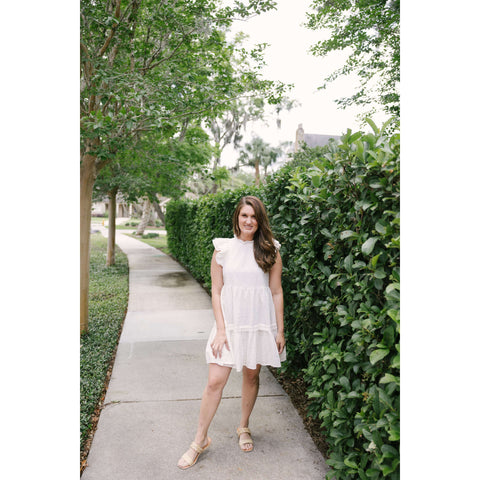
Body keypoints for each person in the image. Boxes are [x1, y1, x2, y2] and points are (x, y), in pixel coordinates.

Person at [177, 195, 286, 469]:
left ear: (260, 220)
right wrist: (222, 330)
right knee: (215, 381)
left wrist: (279, 330)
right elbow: (216, 291)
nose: (249, 221)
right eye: (244, 215)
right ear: (237, 217)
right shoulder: (222, 249)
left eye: (254, 216)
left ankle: (244, 426)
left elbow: (275, 291)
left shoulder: (270, 249)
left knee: (251, 375)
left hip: (258, 323)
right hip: (229, 325)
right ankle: (199, 440)